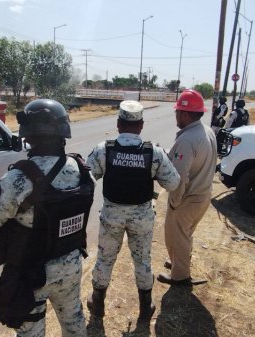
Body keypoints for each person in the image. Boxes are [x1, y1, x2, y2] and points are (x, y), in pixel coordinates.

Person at [0, 98, 94, 337]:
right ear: (63, 132)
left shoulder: (19, 179)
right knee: (74, 320)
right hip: (70, 265)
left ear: (27, 136)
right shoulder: (81, 169)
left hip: (32, 274)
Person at [85, 100, 180, 320]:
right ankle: (146, 308)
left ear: (118, 124)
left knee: (105, 260)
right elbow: (173, 183)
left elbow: (87, 180)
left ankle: (97, 304)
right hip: (142, 218)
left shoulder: (104, 150)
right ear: (141, 126)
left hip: (112, 216)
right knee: (143, 261)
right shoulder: (154, 153)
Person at [157, 89, 218, 286]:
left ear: (184, 113)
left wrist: (174, 202)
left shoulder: (187, 139)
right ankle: (178, 262)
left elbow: (178, 177)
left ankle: (180, 276)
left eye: (176, 112)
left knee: (176, 235)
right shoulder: (205, 131)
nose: (175, 115)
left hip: (188, 198)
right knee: (185, 234)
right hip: (203, 194)